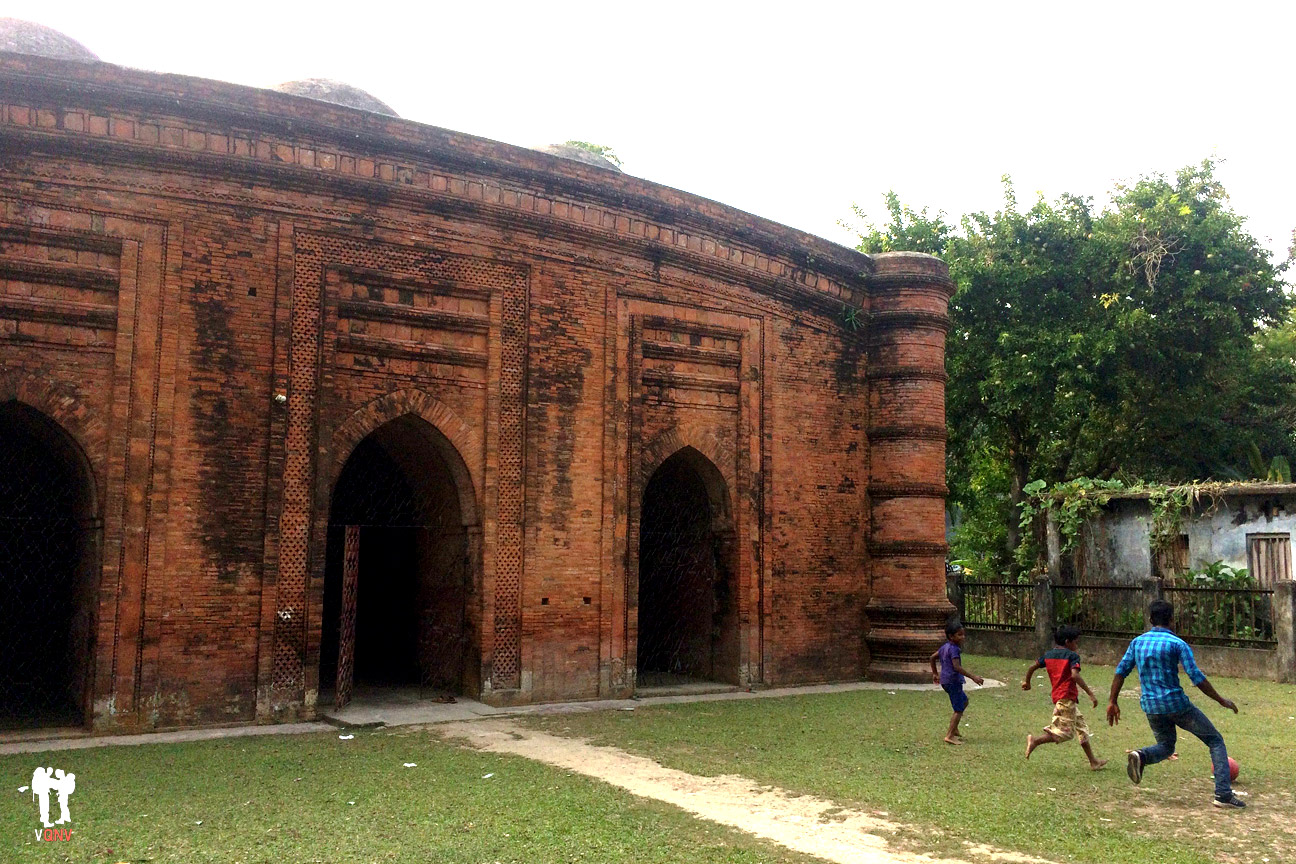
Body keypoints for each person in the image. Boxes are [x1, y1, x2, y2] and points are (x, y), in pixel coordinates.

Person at [1106, 599, 1246, 809]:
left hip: (1151, 706)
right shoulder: (1177, 644)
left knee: (1166, 745)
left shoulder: (1137, 643)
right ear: (1172, 620)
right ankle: (1223, 794)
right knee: (1215, 740)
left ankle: (1141, 756)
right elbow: (1196, 677)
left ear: (1151, 619)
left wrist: (1112, 701)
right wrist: (1221, 700)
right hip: (1177, 705)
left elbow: (1120, 671)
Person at [1022, 625, 1107, 770]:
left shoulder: (1048, 655)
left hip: (1061, 698)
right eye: (1075, 641)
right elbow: (1075, 675)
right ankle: (1035, 741)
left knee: (1082, 728)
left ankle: (1093, 761)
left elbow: (1032, 667)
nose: (1077, 645)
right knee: (1066, 733)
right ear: (1068, 642)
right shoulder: (1072, 656)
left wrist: (1027, 682)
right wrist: (1091, 694)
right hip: (1066, 698)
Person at [930, 620, 983, 745]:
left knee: (964, 701)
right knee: (958, 709)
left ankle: (955, 729)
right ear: (951, 636)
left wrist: (935, 673)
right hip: (952, 681)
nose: (962, 637)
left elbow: (932, 657)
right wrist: (973, 677)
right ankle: (949, 735)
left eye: (963, 634)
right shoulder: (954, 649)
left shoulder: (945, 647)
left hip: (946, 681)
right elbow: (957, 667)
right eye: (959, 635)